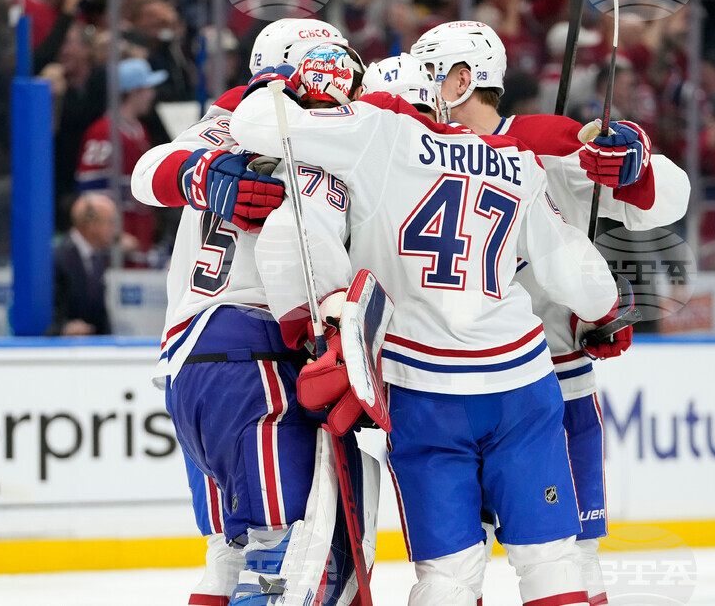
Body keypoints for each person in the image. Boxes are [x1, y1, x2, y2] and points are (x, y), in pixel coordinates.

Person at [231, 42, 633, 606]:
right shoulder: (516, 160)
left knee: (447, 577)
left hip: (423, 389)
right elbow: (584, 281)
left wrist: (283, 86)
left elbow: (257, 128)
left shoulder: (374, 131)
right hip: (521, 380)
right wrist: (603, 316)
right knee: (552, 559)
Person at [411, 20, 691, 606]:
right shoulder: (401, 145)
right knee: (458, 571)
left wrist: (635, 168)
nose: (419, 84)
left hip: (545, 382)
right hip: (442, 383)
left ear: (463, 80)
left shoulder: (547, 140)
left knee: (569, 562)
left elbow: (664, 200)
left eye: (430, 71)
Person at [132, 19, 373, 605]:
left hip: (188, 362)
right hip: (255, 358)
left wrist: (199, 174)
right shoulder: (309, 141)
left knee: (227, 555)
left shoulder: (221, 127)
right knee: (285, 555)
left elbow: (147, 174)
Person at [76, 58, 167, 260]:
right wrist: (113, 236)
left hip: (140, 240)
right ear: (134, 91)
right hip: (114, 248)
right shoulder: (102, 132)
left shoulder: (139, 130)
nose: (151, 95)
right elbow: (89, 193)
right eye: (147, 88)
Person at [49, 193, 127, 337]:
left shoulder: (97, 260)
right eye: (110, 221)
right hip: (60, 350)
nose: (114, 229)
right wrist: (64, 328)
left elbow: (100, 316)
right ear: (91, 224)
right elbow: (48, 309)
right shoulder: (57, 258)